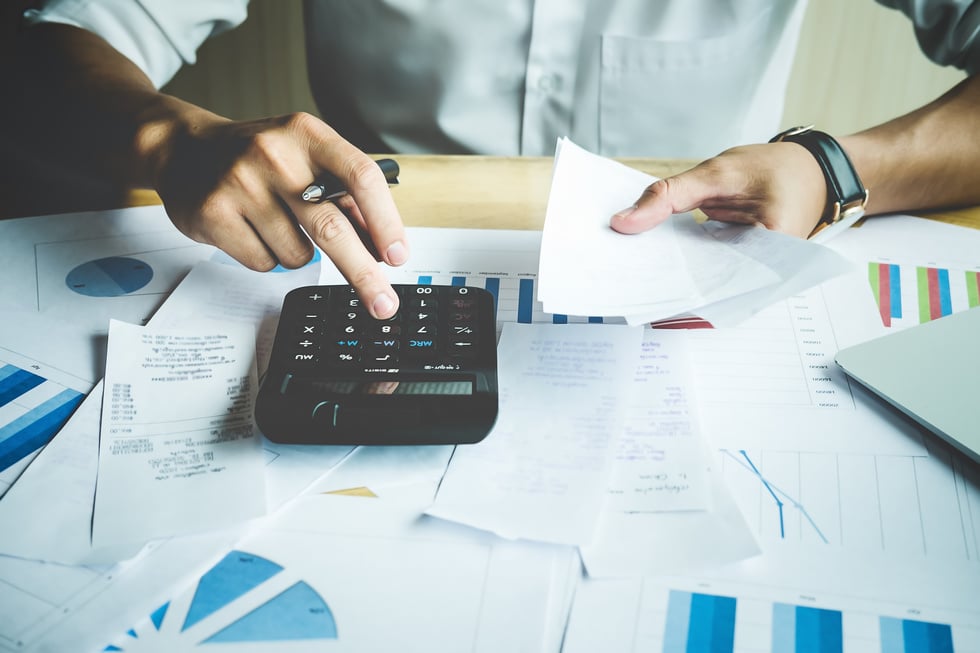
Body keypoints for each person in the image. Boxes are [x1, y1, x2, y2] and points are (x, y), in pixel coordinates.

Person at [3, 0, 979, 320]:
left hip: (702, 284)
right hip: (356, 273)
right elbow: (57, 38)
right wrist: (168, 138)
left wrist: (840, 169)